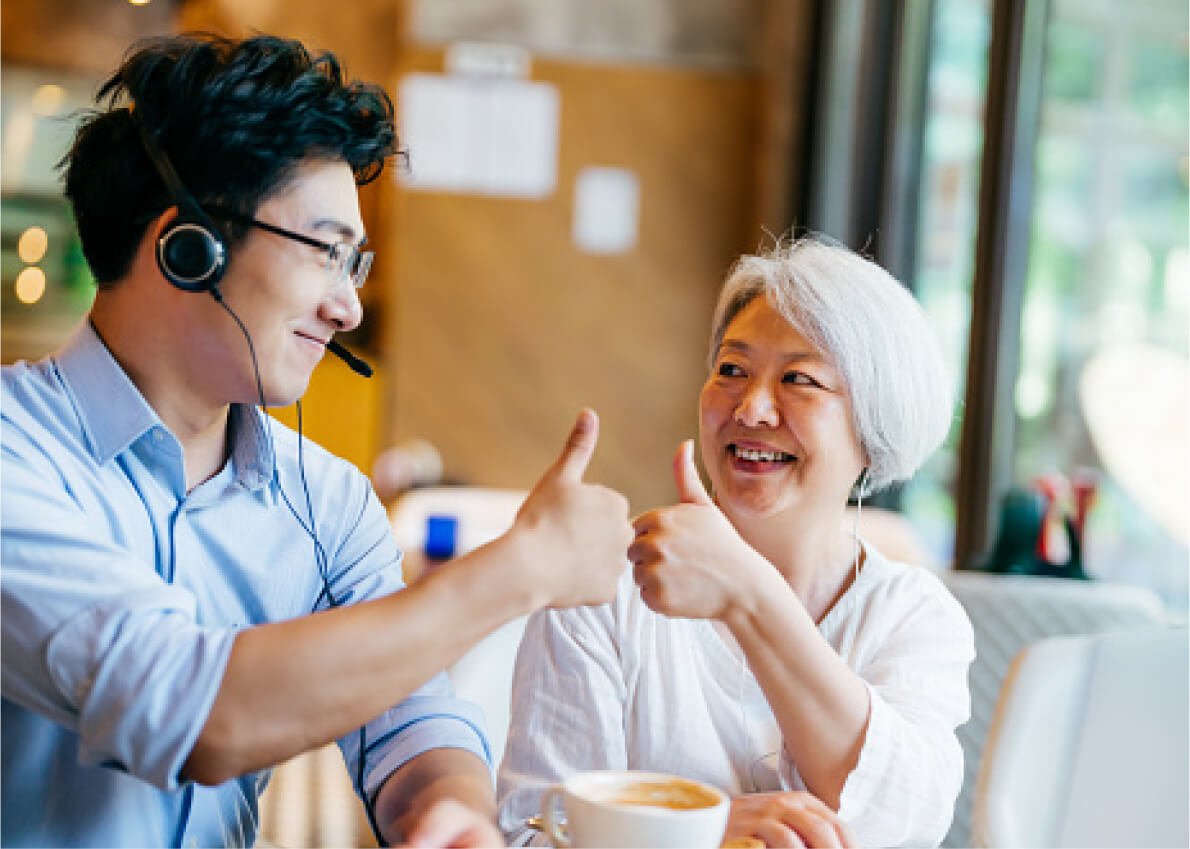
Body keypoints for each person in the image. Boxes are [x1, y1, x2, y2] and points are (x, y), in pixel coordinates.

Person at [0, 33, 633, 848]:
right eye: (327, 252)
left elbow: (414, 725)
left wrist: (445, 805)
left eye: (355, 262)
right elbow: (194, 712)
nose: (348, 307)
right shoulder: (16, 456)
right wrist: (518, 571)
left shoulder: (326, 498)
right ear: (188, 246)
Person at [497, 237, 975, 848]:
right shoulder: (605, 589)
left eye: (799, 379)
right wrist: (700, 832)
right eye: (731, 370)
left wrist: (749, 593)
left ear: (874, 429)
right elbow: (531, 832)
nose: (751, 408)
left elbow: (902, 821)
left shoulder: (912, 616)